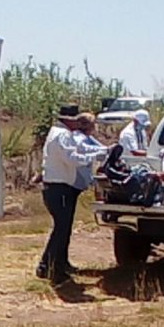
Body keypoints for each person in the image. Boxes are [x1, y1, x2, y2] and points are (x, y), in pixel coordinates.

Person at [37, 104, 106, 283]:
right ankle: (48, 267)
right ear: (68, 120)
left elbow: (79, 151)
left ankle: (59, 263)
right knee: (61, 228)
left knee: (64, 228)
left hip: (59, 186)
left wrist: (100, 151)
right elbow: (73, 159)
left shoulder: (61, 134)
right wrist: (95, 157)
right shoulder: (62, 136)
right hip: (58, 187)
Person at [72, 112, 108, 190]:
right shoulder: (79, 137)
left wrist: (106, 149)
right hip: (78, 177)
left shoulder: (88, 137)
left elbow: (100, 147)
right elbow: (81, 148)